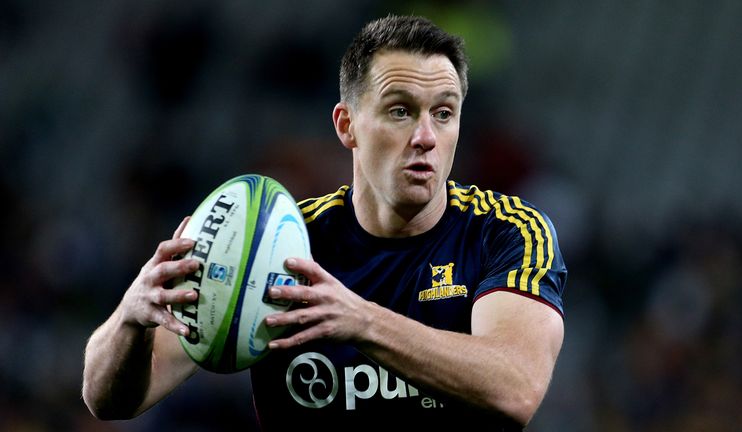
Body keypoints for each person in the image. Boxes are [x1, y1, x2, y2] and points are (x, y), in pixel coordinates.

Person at [82, 15, 567, 431]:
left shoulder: (506, 232)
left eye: (444, 113)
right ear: (346, 125)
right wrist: (130, 317)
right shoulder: (276, 249)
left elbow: (516, 387)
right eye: (399, 111)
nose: (424, 137)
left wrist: (362, 321)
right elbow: (109, 400)